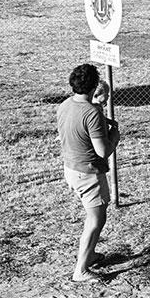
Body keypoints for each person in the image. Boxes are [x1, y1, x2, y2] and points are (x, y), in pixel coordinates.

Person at [57, 63, 120, 282]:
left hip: (71, 168)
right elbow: (102, 151)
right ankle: (81, 270)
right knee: (95, 220)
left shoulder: (64, 105)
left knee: (94, 216)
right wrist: (115, 137)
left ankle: (91, 254)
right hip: (89, 173)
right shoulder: (91, 113)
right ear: (94, 86)